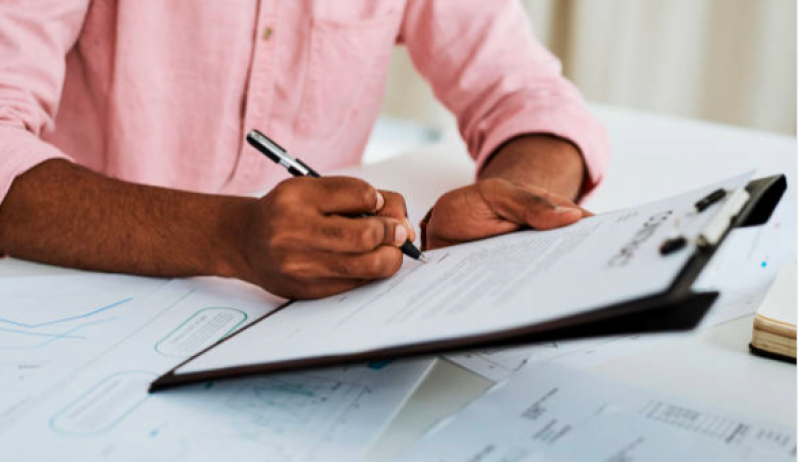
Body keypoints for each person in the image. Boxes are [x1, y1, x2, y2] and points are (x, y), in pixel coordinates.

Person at [0, 0, 609, 299]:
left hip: (315, 318)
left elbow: (531, 98)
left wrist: (516, 193)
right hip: (75, 295)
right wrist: (228, 236)